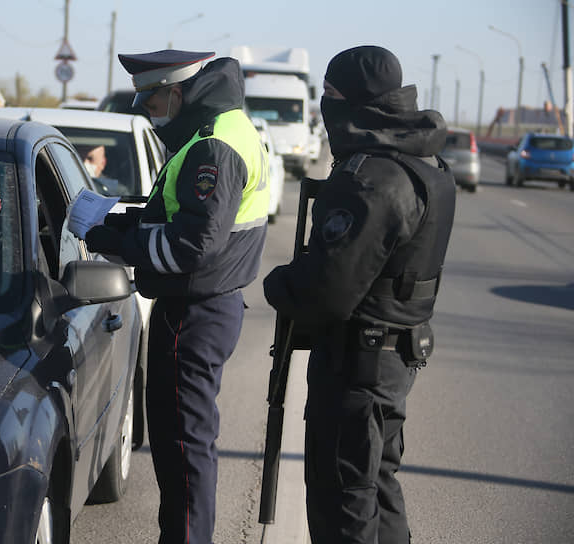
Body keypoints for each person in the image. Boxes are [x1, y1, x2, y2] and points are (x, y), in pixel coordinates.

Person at [263, 45, 456, 543]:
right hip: (393, 357)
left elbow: (327, 292)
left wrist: (279, 284)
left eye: (330, 96)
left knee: (342, 502)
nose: (324, 108)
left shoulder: (372, 178)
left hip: (358, 366)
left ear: (356, 101)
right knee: (378, 488)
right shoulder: (424, 163)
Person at [84, 49, 270, 544]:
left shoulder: (215, 145)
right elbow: (174, 217)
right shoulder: (218, 129)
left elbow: (190, 245)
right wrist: (114, 221)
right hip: (199, 308)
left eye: (151, 97)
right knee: (177, 451)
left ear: (177, 90)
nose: (146, 108)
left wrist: (114, 242)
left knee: (185, 454)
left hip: (196, 313)